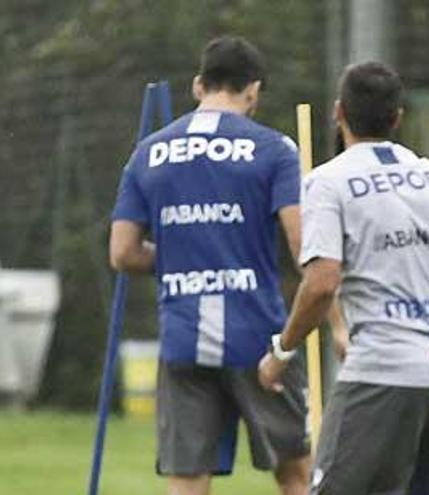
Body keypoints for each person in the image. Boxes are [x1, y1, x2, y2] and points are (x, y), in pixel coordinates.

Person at [108, 36, 311, 495]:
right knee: (296, 474)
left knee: (186, 480)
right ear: (253, 90)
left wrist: (183, 252)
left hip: (183, 338)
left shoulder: (149, 151)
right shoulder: (273, 149)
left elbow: (122, 253)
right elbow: (302, 246)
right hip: (260, 340)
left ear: (199, 86)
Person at [258, 61, 429, 495]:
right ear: (398, 118)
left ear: (338, 112)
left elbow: (321, 283)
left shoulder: (328, 182)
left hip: (382, 368)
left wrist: (283, 349)